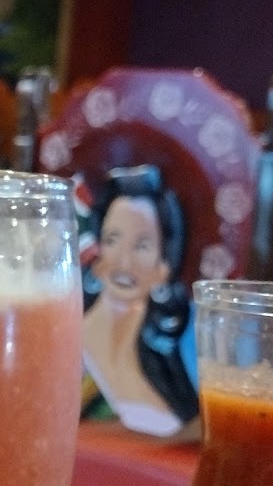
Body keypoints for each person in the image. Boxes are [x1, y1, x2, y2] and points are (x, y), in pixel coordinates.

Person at [80, 164, 197, 437]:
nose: (124, 263)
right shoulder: (66, 331)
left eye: (141, 246)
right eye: (112, 240)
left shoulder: (172, 342)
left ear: (164, 265)